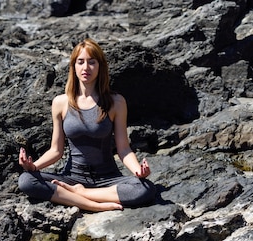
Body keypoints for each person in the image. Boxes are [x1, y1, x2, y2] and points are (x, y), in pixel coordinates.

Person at [18, 38, 156, 212]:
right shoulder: (60, 103)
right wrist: (34, 166)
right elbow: (56, 151)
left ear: (100, 67)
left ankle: (80, 194)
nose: (86, 68)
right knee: (26, 180)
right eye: (80, 62)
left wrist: (138, 171)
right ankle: (91, 204)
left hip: (108, 178)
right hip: (73, 175)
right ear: (73, 66)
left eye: (92, 62)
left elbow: (124, 149)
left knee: (145, 188)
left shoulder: (116, 102)